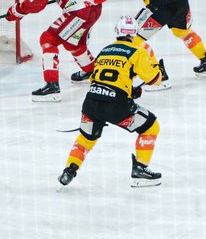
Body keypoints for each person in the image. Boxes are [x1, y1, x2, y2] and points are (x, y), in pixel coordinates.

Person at [59, 16, 166, 189]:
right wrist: (159, 71)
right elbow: (154, 80)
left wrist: (129, 90)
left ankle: (69, 170)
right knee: (151, 127)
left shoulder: (105, 50)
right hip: (117, 105)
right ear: (134, 33)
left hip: (91, 102)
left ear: (117, 31)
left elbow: (96, 78)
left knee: (86, 139)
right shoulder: (137, 51)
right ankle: (140, 169)